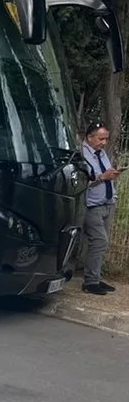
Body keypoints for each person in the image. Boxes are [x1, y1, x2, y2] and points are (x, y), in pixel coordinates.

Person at [81, 122, 119, 294]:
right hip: (92, 205)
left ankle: (96, 277)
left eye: (106, 139)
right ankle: (90, 282)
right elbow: (83, 181)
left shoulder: (101, 153)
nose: (104, 143)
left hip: (107, 203)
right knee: (99, 241)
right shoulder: (81, 155)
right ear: (90, 137)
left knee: (102, 243)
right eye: (101, 139)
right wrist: (103, 177)